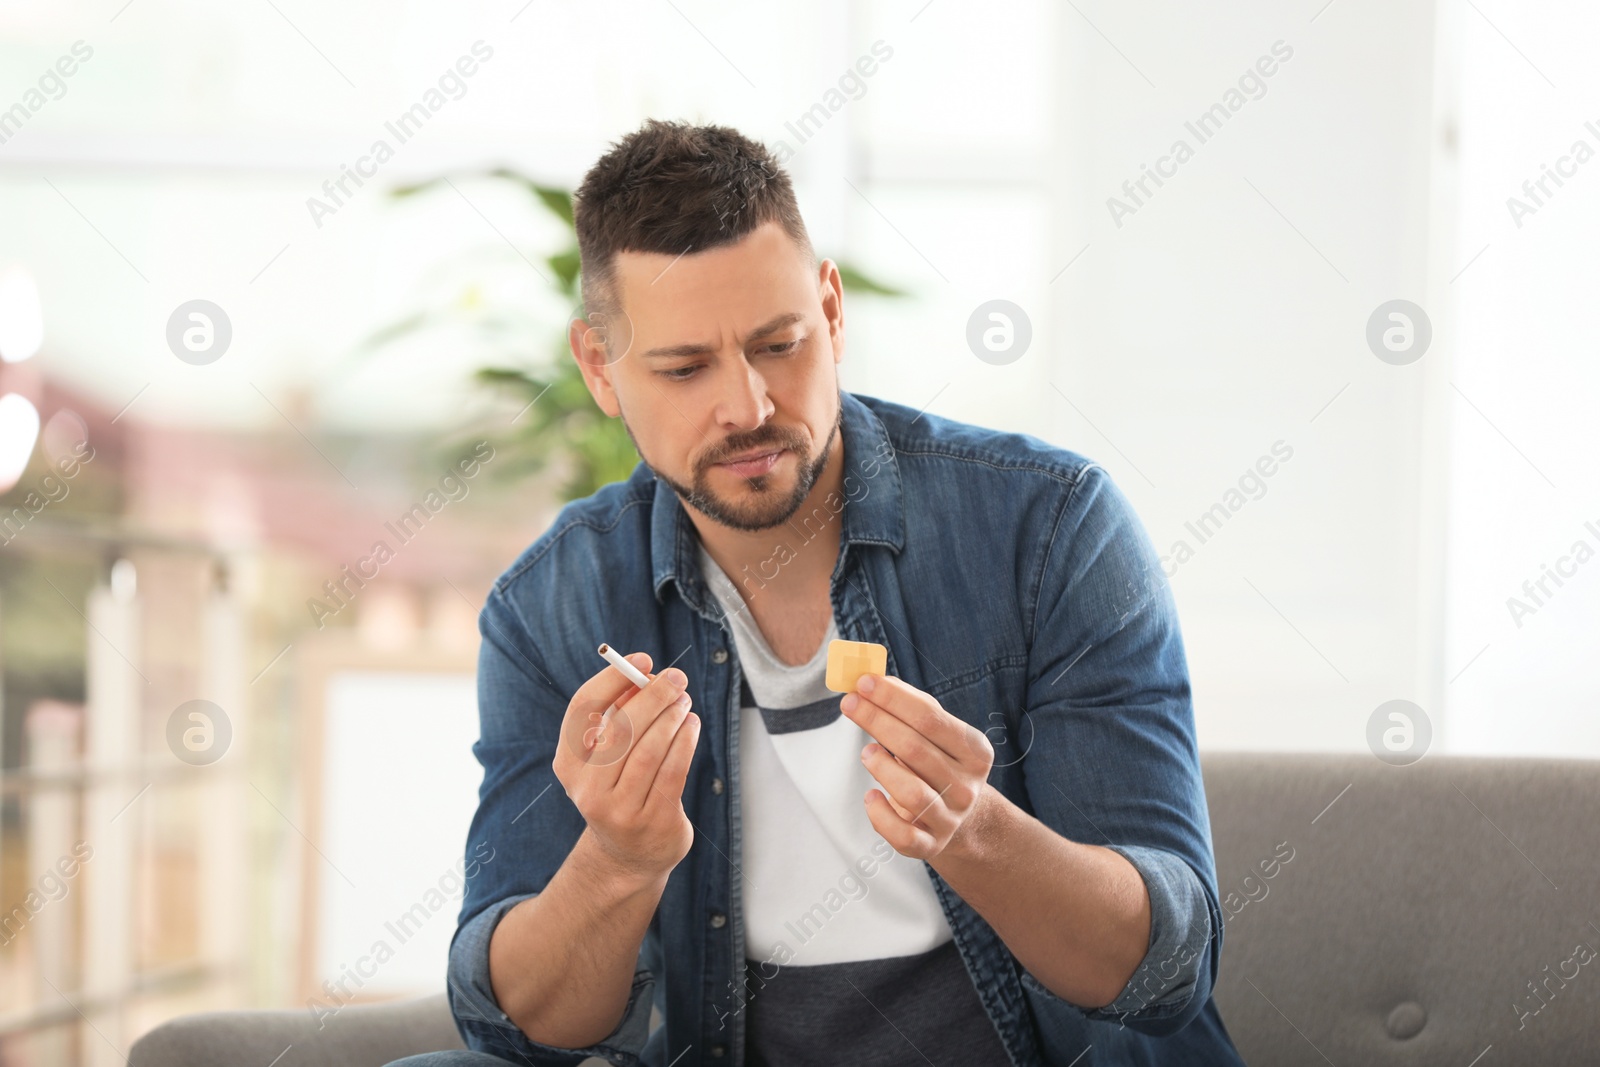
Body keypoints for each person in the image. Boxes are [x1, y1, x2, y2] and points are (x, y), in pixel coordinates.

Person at [389, 119, 1247, 1067]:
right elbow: (520, 1028)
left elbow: (1169, 969)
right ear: (600, 367)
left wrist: (976, 830)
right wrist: (617, 862)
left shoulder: (1049, 529)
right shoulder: (555, 602)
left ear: (832, 314)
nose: (749, 407)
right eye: (684, 368)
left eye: (780, 344)